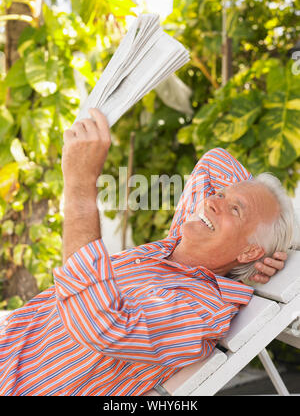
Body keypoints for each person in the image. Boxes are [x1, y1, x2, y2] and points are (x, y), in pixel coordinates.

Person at [0, 109, 293, 396]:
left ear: (249, 250)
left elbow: (102, 326)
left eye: (235, 209)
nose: (211, 202)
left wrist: (80, 184)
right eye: (219, 194)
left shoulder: (203, 309)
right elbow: (214, 162)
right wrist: (274, 241)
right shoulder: (173, 248)